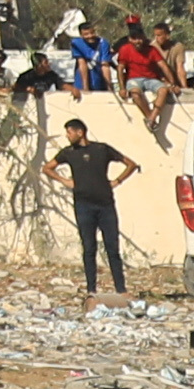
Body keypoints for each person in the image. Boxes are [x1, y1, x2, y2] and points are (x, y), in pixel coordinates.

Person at [48, 120, 137, 301]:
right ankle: (92, 290)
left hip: (105, 205)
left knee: (112, 248)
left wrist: (117, 181)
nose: (68, 136)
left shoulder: (101, 149)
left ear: (80, 132)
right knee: (89, 248)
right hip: (83, 205)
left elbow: (131, 164)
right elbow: (47, 168)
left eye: (70, 132)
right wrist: (64, 181)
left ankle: (121, 289)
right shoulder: (68, 153)